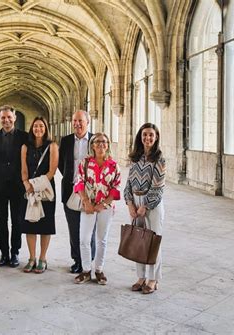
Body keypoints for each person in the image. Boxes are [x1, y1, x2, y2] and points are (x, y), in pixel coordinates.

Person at [73, 133, 121, 285]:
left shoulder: (113, 165)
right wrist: (86, 201)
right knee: (84, 239)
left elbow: (116, 187)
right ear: (92, 145)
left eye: (104, 142)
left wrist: (104, 204)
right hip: (88, 205)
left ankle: (99, 270)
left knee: (102, 239)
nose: (101, 144)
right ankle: (86, 270)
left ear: (108, 145)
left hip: (105, 207)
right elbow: (79, 182)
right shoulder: (85, 163)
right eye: (98, 142)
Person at [124, 123, 166, 294]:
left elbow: (158, 187)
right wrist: (129, 204)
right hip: (135, 200)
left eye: (151, 135)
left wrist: (145, 206)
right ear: (140, 137)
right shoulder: (136, 157)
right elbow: (128, 183)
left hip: (152, 204)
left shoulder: (159, 159)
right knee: (138, 241)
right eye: (144, 135)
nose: (147, 138)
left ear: (156, 138)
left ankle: (153, 279)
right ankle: (141, 277)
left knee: (153, 241)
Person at [0, 105, 28, 268]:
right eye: (3, 117)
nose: (6, 120)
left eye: (9, 117)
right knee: (1, 220)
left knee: (17, 220)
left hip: (18, 185)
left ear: (15, 118)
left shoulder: (24, 137)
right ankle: (4, 253)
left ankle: (15, 252)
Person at [58, 110, 95, 273]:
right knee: (74, 229)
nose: (77, 124)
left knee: (89, 230)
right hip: (71, 191)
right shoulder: (65, 141)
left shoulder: (95, 140)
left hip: (90, 193)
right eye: (75, 121)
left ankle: (89, 261)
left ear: (88, 122)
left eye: (80, 121)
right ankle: (77, 260)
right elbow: (61, 163)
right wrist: (70, 177)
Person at [20, 116, 58, 273]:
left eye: (41, 126)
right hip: (28, 188)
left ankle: (42, 258)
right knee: (30, 223)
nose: (38, 129)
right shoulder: (25, 147)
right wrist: (26, 184)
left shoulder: (52, 146)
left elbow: (52, 170)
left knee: (45, 225)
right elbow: (23, 169)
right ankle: (31, 257)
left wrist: (37, 186)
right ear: (31, 128)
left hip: (45, 189)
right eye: (35, 126)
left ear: (46, 128)